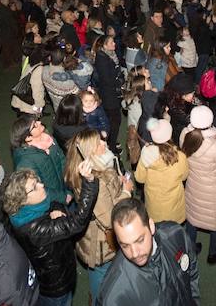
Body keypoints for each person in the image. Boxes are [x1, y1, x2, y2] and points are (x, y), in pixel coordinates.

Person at [4, 163, 100, 306]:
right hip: (57, 287)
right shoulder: (35, 230)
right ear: (22, 200)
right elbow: (77, 222)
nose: (42, 185)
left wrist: (53, 212)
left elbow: (53, 204)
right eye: (34, 187)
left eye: (37, 181)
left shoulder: (25, 212)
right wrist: (90, 182)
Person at [63, 129, 132, 305]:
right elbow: (109, 219)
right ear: (89, 153)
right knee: (101, 280)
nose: (104, 143)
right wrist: (126, 192)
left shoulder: (85, 169)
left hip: (92, 235)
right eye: (98, 143)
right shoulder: (96, 181)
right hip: (101, 245)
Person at [98, 198, 199, 306]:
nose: (134, 253)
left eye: (140, 240)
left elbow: (192, 268)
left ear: (151, 226)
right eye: (125, 245)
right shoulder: (114, 293)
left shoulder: (176, 234)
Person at [181, 106, 216, 264]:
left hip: (193, 185)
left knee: (192, 218)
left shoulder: (184, 135)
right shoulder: (214, 146)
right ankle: (213, 253)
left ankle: (191, 248)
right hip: (213, 191)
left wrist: (214, 137)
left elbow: (199, 145)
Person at [134, 118, 189, 224]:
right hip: (174, 205)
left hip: (154, 205)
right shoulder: (180, 156)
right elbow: (184, 177)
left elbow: (139, 179)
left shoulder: (146, 154)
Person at [11, 115, 69, 205]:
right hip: (51, 201)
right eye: (35, 125)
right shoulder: (25, 162)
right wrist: (62, 197)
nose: (39, 122)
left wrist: (69, 187)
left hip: (65, 188)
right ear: (28, 138)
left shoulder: (48, 139)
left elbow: (63, 161)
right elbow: (37, 189)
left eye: (37, 121)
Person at [92, 34, 124, 152]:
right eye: (111, 42)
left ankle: (111, 142)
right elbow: (107, 80)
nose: (114, 44)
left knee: (112, 120)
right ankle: (112, 147)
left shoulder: (108, 55)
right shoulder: (102, 60)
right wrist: (119, 81)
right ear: (104, 46)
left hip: (111, 93)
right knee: (114, 121)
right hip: (109, 96)